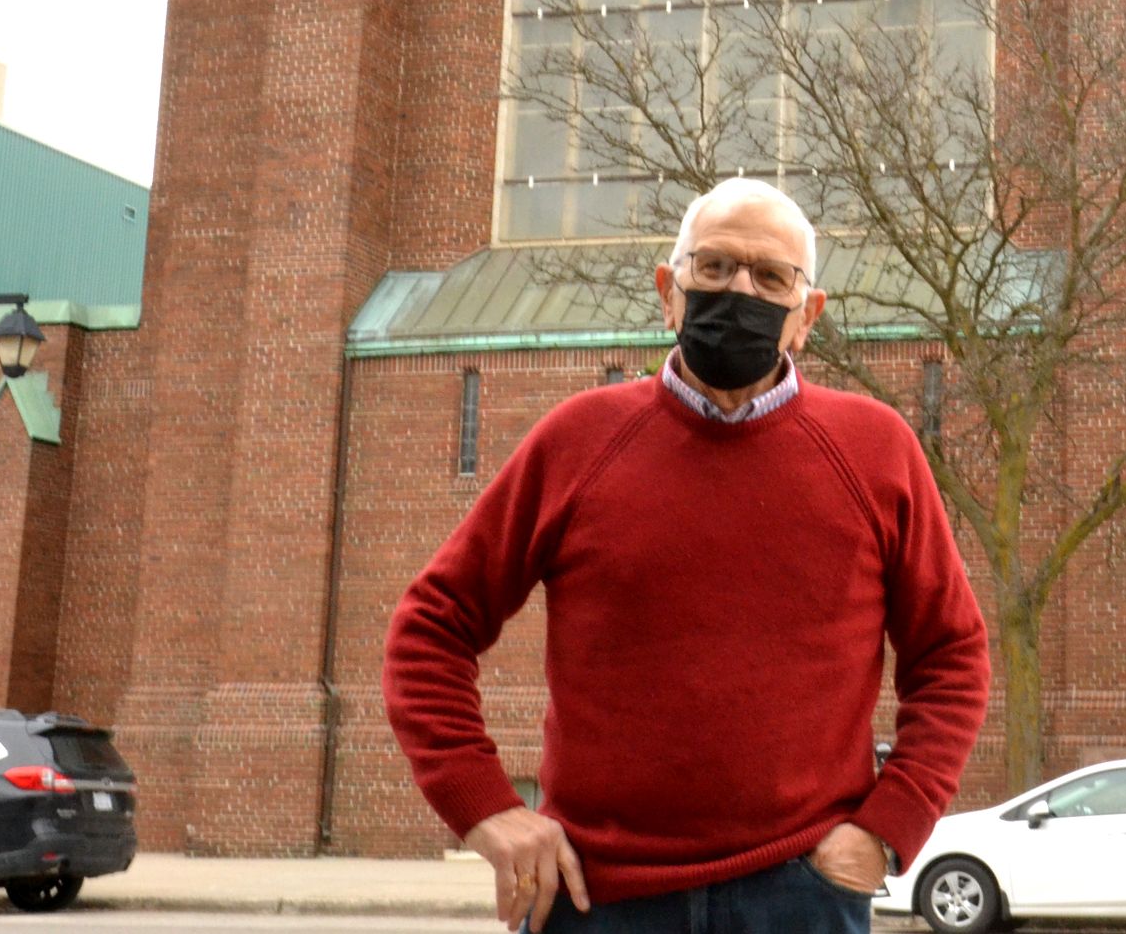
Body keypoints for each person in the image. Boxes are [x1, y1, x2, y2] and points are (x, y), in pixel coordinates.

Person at [383, 177, 990, 933]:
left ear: (808, 315)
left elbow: (953, 652)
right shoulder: (579, 440)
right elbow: (430, 627)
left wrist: (887, 827)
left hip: (799, 894)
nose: (739, 289)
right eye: (714, 268)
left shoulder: (876, 451)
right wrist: (488, 809)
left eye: (771, 276)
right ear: (669, 292)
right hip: (595, 897)